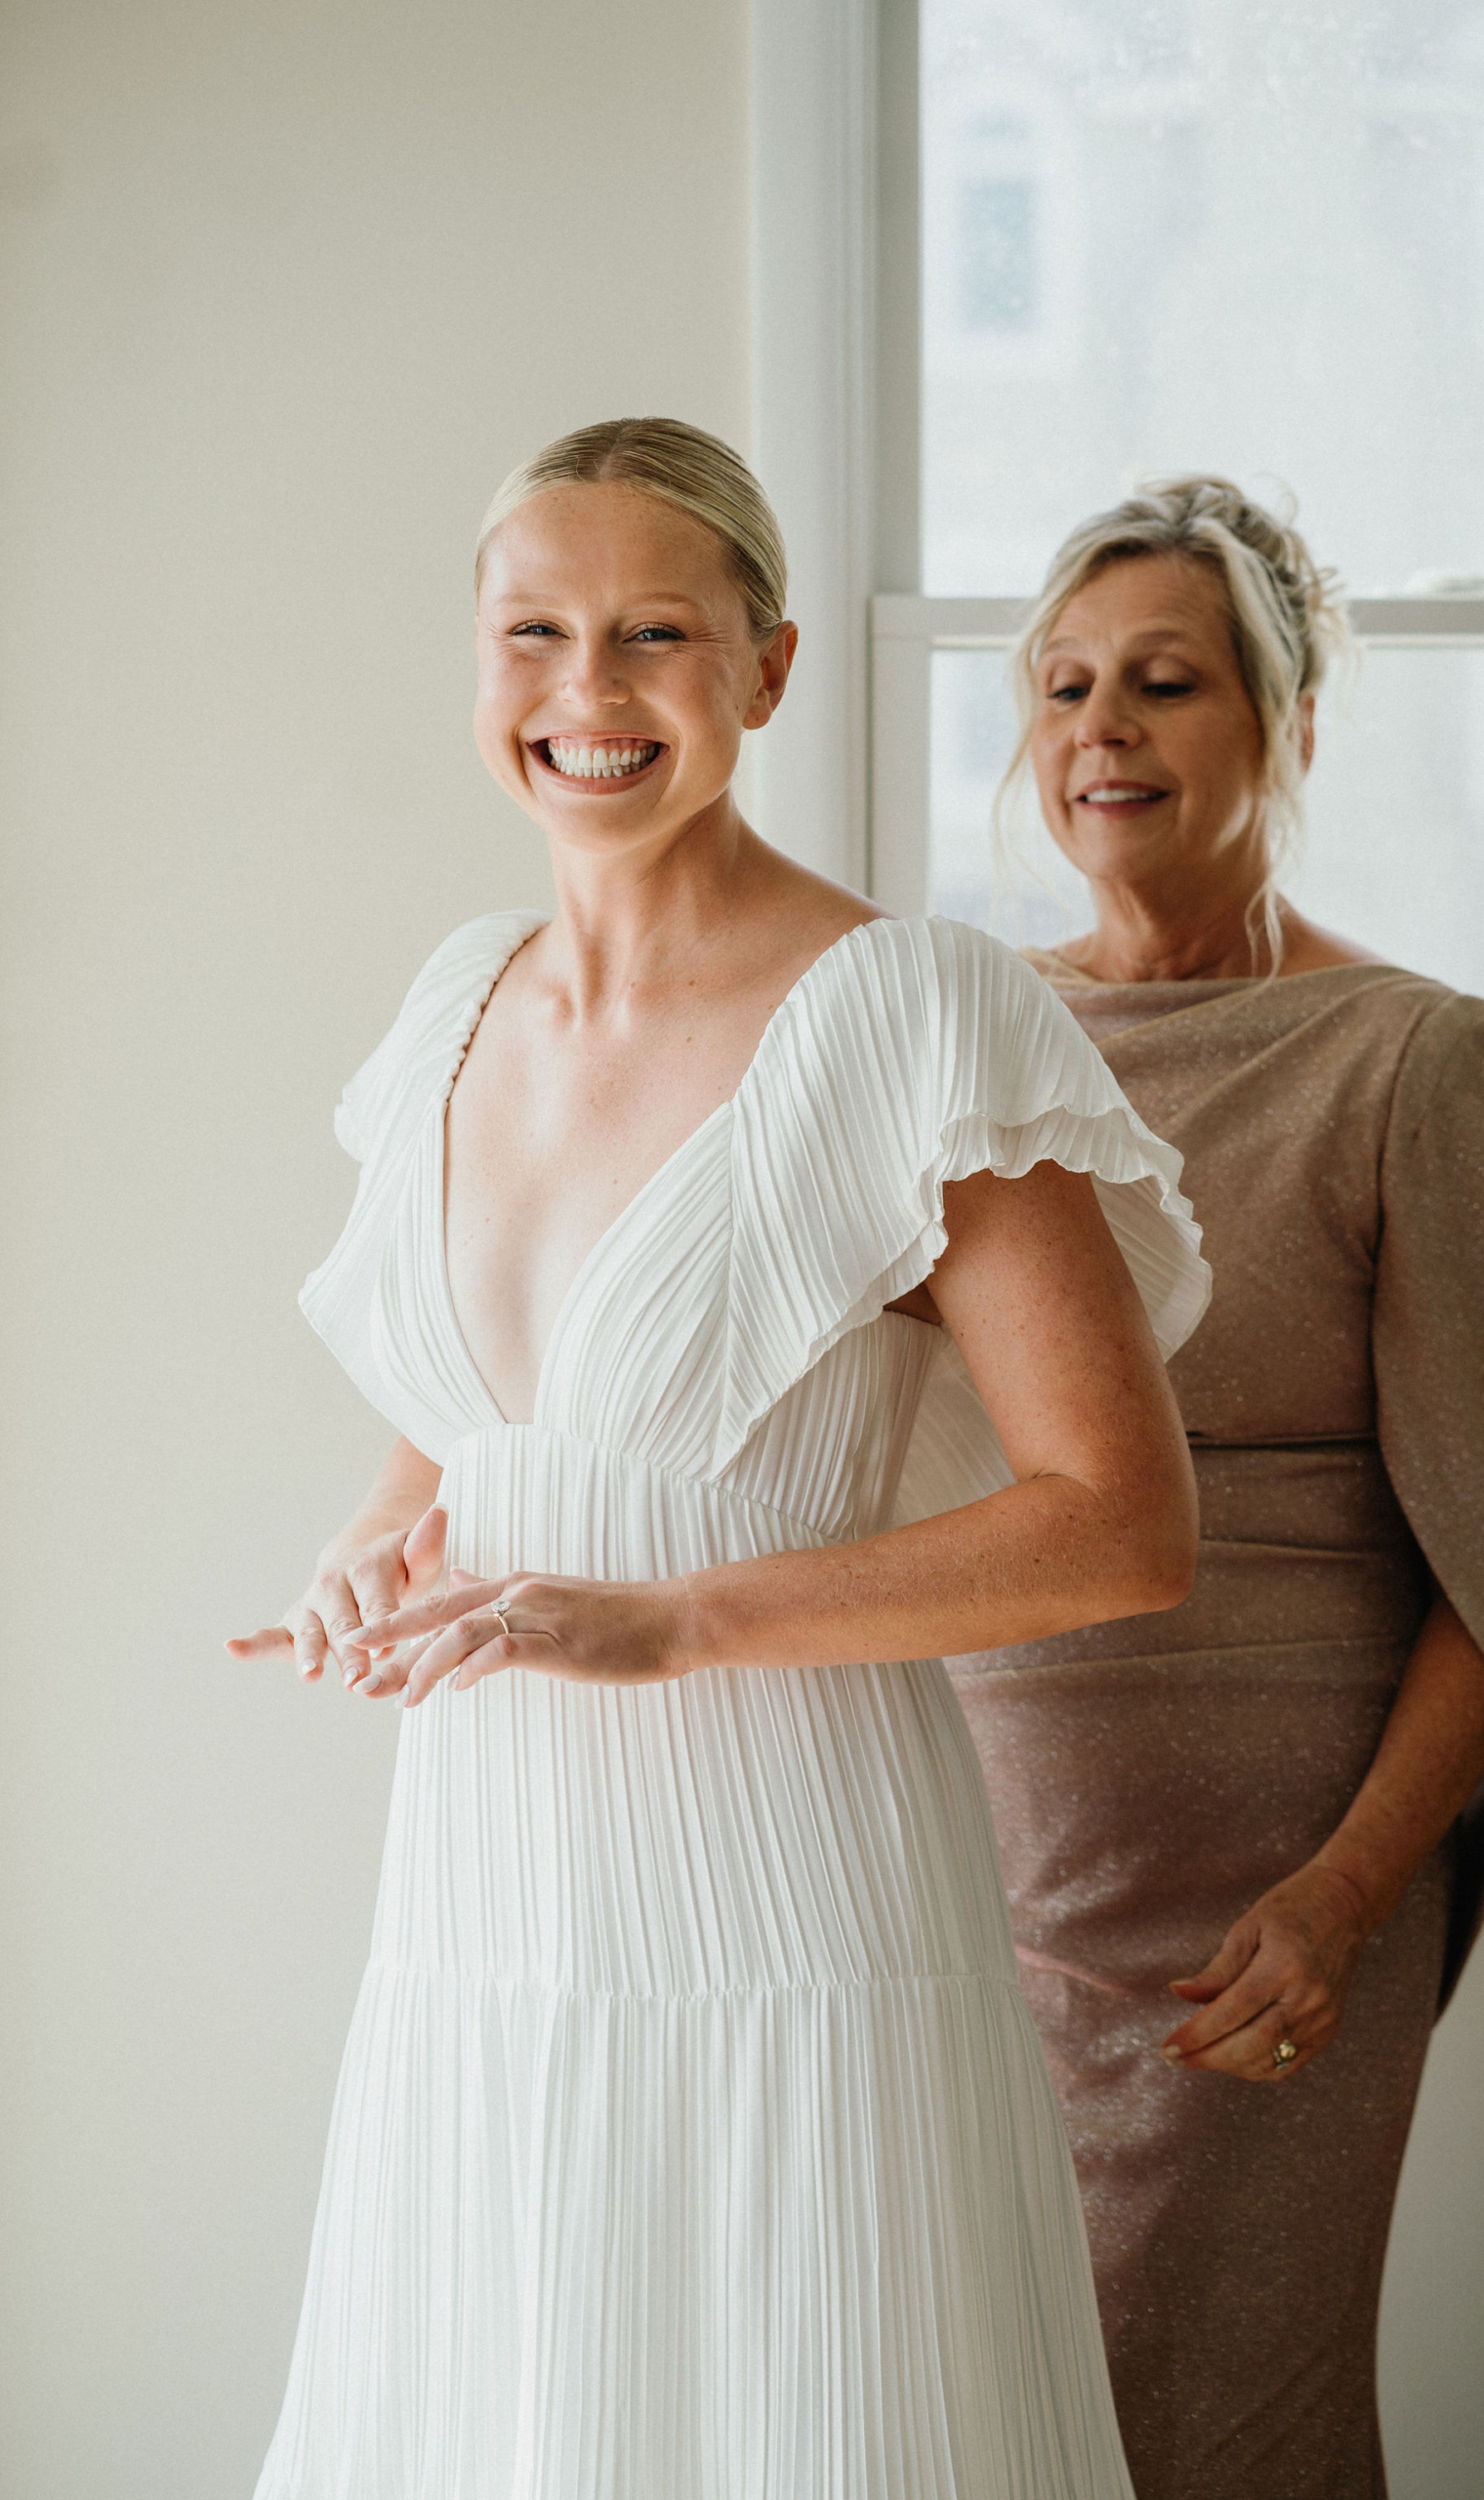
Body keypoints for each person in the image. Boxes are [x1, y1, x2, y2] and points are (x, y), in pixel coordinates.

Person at [227, 417, 1212, 2499]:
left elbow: (1120, 1526)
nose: (587, 691)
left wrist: (678, 1615)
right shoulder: (453, 1002)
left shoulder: (908, 1015)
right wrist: (374, 1538)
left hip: (793, 1896)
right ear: (476, 663)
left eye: (653, 633)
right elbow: (493, 1408)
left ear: (764, 669)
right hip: (482, 1901)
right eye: (536, 633)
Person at [946, 478, 1484, 2500]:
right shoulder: (954, 1044)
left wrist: (1336, 1896)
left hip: (1258, 1920)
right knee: (956, 2412)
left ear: (1288, 724)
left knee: (1220, 2424)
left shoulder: (1422, 1060)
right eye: (1059, 687)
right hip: (954, 1880)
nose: (1099, 730)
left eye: (1162, 682)